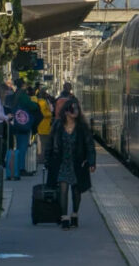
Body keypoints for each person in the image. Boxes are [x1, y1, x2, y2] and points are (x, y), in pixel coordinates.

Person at [45, 98, 96, 230]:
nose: (76, 111)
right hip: (61, 162)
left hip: (78, 163)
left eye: (77, 109)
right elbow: (50, 144)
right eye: (73, 109)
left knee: (76, 191)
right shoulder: (57, 126)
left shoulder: (82, 127)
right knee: (63, 190)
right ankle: (64, 218)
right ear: (66, 111)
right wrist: (47, 160)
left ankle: (74, 214)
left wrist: (91, 161)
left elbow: (89, 145)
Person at [9, 79, 42, 178]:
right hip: (23, 124)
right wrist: (36, 105)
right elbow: (31, 106)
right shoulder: (22, 95)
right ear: (23, 85)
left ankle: (18, 168)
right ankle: (21, 168)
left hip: (17, 123)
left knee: (19, 146)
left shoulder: (15, 94)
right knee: (22, 147)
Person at [33, 84, 53, 162]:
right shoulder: (43, 102)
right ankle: (41, 159)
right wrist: (50, 114)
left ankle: (39, 158)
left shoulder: (36, 100)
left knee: (39, 143)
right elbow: (44, 113)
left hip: (39, 125)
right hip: (44, 125)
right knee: (43, 143)